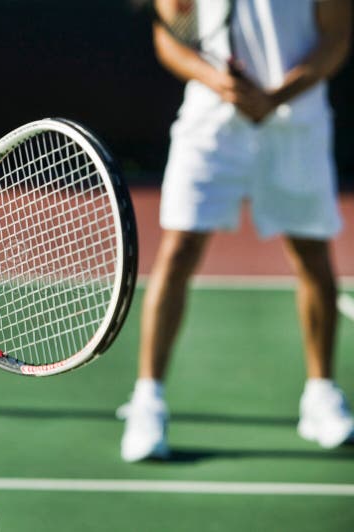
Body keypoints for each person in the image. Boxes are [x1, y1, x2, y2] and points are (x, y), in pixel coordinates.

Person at [119, 0, 353, 462]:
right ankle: (149, 400)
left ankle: (321, 395)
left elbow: (336, 40)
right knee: (179, 250)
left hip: (296, 123)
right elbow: (170, 36)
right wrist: (218, 82)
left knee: (311, 254)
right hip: (211, 124)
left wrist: (277, 96)